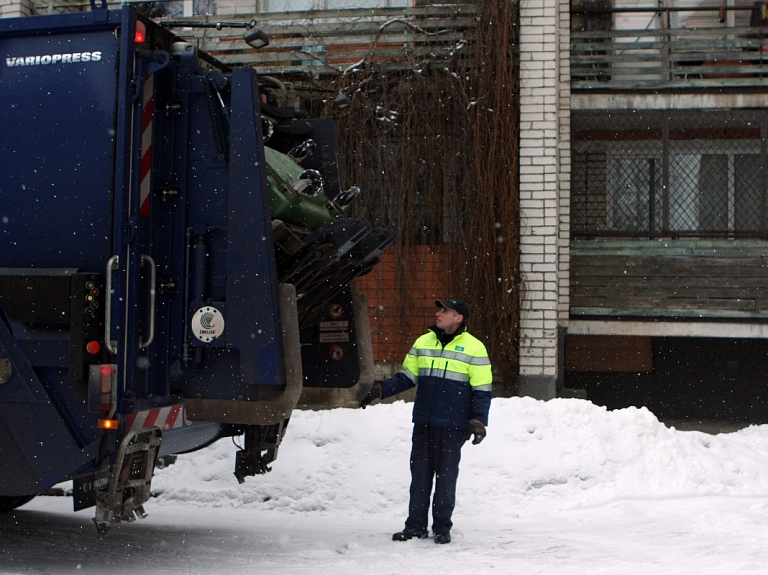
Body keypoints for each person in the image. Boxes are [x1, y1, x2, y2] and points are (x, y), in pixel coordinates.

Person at [359, 298, 492, 545]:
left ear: (458, 317)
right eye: (439, 309)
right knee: (419, 477)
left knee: (446, 478)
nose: (439, 313)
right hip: (424, 423)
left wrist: (478, 420)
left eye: (445, 310)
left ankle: (442, 528)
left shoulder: (475, 348)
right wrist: (381, 390)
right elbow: (407, 376)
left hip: (452, 425)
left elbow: (482, 389)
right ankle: (415, 527)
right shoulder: (423, 342)